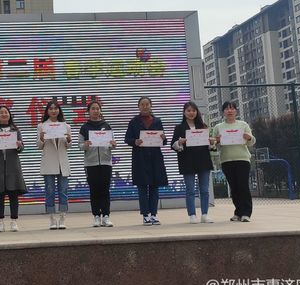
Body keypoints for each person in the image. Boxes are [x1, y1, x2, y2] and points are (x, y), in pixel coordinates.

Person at [124, 97, 168, 225]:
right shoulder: (134, 122)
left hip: (155, 158)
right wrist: (135, 141)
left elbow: (163, 141)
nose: (145, 106)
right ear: (138, 107)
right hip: (140, 159)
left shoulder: (157, 121)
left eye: (147, 104)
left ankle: (154, 214)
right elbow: (127, 139)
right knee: (142, 188)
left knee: (154, 187)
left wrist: (163, 138)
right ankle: (145, 215)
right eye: (142, 104)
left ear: (151, 106)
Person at [170, 101, 214, 224]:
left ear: (197, 112)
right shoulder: (179, 128)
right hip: (187, 161)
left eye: (193, 110)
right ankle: (192, 215)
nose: (191, 113)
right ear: (184, 112)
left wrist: (211, 142)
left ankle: (205, 214)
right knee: (190, 190)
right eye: (188, 110)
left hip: (203, 161)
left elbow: (211, 147)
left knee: (204, 190)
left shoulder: (203, 126)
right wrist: (180, 142)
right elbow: (172, 145)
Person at [212, 101, 256, 222]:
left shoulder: (243, 125)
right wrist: (216, 140)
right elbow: (214, 144)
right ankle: (238, 212)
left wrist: (249, 137)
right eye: (226, 109)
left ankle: (246, 213)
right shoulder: (218, 127)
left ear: (236, 111)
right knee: (234, 187)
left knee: (243, 186)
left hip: (242, 159)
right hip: (226, 160)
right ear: (223, 112)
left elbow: (251, 142)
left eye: (232, 108)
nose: (229, 111)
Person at [0, 105, 27, 232]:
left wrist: (20, 145)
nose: (4, 114)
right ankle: (0, 221)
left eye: (6, 112)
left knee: (13, 194)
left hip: (12, 165)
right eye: (1, 113)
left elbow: (22, 148)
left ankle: (14, 221)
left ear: (9, 115)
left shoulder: (15, 130)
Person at [78, 101, 117, 227]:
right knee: (94, 190)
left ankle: (106, 216)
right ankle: (96, 216)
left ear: (100, 111)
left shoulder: (107, 126)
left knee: (105, 189)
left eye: (97, 109)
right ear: (88, 111)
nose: (95, 111)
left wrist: (113, 144)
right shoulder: (85, 127)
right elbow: (80, 146)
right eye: (93, 109)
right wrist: (85, 145)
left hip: (105, 162)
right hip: (91, 163)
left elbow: (112, 144)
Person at [37, 100, 71, 230]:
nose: (53, 111)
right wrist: (41, 138)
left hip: (62, 163)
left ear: (59, 111)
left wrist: (68, 140)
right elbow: (39, 146)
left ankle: (62, 217)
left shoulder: (66, 126)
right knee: (50, 191)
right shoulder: (42, 126)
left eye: (55, 108)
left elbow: (69, 146)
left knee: (63, 190)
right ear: (47, 111)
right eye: (50, 108)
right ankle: (51, 218)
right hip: (49, 163)